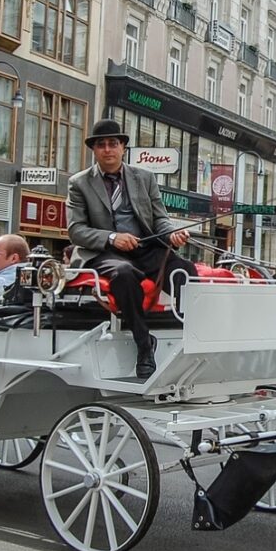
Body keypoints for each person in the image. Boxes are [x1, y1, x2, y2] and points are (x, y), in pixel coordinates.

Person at [67, 119, 197, 379]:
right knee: (124, 273)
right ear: (94, 150)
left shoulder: (144, 177)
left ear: (123, 147)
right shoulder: (79, 183)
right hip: (105, 253)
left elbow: (159, 218)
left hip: (145, 247)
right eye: (101, 145)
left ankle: (194, 336)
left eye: (113, 144)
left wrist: (172, 233)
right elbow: (76, 230)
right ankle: (143, 344)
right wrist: (112, 237)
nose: (107, 149)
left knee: (183, 270)